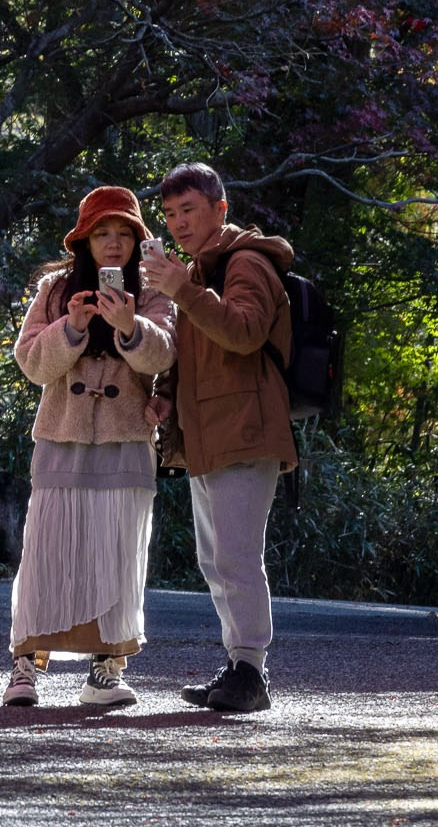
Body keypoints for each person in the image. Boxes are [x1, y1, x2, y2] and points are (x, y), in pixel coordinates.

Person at [4, 184, 176, 709]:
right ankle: (25, 666)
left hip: (125, 438)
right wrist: (71, 326)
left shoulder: (153, 290)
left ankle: (106, 669)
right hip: (63, 434)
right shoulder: (57, 289)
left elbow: (164, 355)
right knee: (46, 552)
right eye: (103, 232)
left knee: (117, 551)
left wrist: (129, 326)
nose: (114, 243)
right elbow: (30, 362)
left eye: (124, 233)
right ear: (84, 240)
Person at [141, 161, 297, 715]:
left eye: (189, 210)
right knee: (215, 560)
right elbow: (193, 352)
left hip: (246, 433)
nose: (179, 223)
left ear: (220, 209)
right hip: (209, 435)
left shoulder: (246, 261)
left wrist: (182, 287)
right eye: (170, 214)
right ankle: (238, 666)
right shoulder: (198, 270)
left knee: (236, 557)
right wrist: (165, 395)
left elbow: (245, 331)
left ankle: (251, 670)